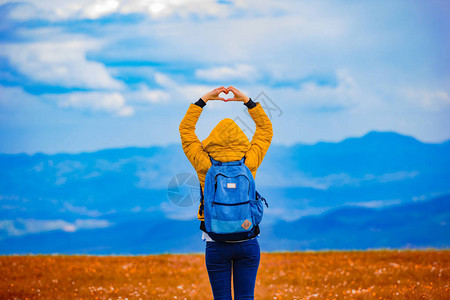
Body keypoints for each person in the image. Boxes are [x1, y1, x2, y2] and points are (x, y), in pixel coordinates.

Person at [179, 86, 273, 299]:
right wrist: (247, 101)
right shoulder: (250, 161)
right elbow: (265, 129)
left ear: (211, 140)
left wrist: (204, 99)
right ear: (242, 140)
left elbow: (186, 130)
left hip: (216, 242)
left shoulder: (204, 164)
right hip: (248, 240)